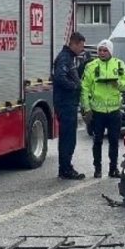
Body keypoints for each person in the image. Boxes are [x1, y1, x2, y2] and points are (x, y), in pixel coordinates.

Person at [81, 39, 125, 179]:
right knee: (97, 141)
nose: (102, 53)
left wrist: (118, 83)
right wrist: (86, 108)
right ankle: (97, 168)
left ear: (110, 51)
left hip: (114, 110)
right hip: (97, 111)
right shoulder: (91, 66)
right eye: (100, 50)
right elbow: (84, 88)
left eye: (105, 50)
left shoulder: (119, 64)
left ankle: (113, 168)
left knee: (114, 141)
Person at [52, 31, 87, 180]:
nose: (82, 49)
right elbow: (60, 77)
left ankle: (66, 167)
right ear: (74, 43)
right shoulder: (64, 58)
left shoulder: (69, 58)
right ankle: (65, 169)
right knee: (68, 137)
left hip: (68, 103)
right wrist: (74, 86)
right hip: (65, 103)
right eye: (81, 46)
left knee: (69, 137)